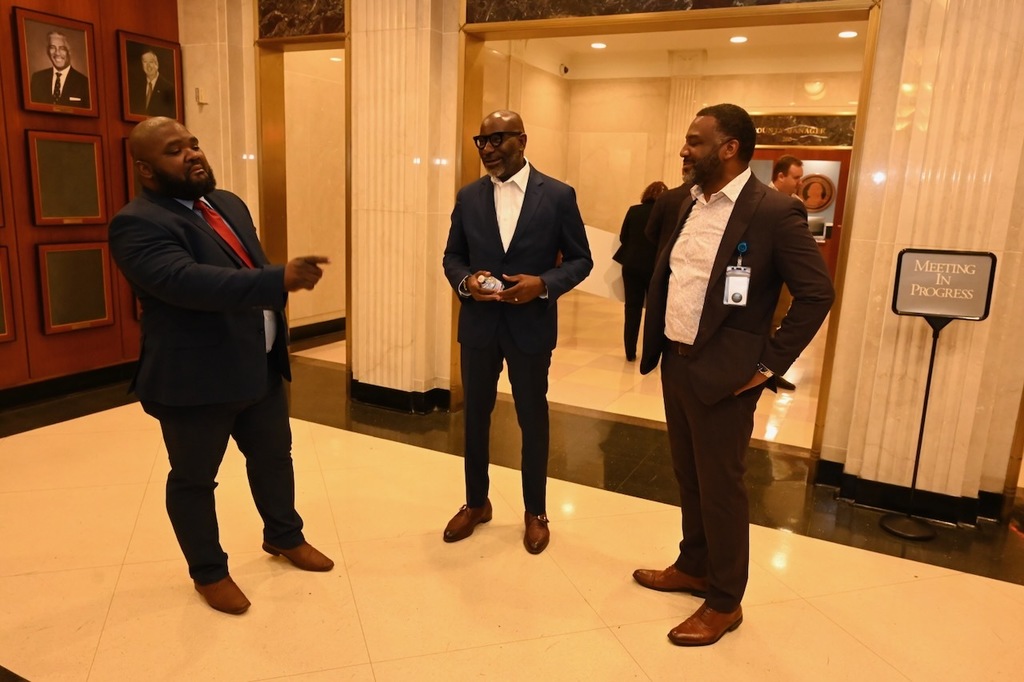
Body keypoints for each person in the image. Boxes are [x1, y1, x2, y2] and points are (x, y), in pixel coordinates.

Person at [108, 117, 334, 615]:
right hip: (196, 381)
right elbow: (190, 283)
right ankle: (208, 572)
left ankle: (284, 536)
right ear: (146, 168)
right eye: (175, 150)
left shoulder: (227, 204)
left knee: (275, 458)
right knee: (194, 480)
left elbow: (243, 268)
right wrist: (279, 279)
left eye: (193, 144)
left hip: (261, 367)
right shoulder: (137, 223)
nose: (192, 154)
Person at [634, 104, 833, 646]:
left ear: (729, 149)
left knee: (721, 487)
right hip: (676, 363)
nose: (683, 150)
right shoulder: (683, 203)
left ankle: (724, 600)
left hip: (727, 374)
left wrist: (768, 365)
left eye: (694, 141)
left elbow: (817, 295)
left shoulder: (773, 212)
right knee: (689, 475)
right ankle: (693, 564)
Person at [442, 109, 593, 554]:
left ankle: (536, 511)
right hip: (479, 328)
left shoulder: (559, 196)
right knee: (474, 418)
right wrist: (465, 282)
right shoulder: (468, 197)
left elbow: (582, 259)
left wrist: (544, 284)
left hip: (531, 327)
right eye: (481, 141)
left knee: (533, 418)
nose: (487, 149)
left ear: (522, 141)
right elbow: (453, 257)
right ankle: (476, 503)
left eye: (498, 140)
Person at [613, 181, 667, 361]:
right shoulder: (664, 214)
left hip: (631, 266)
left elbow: (623, 237)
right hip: (654, 268)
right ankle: (649, 354)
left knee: (632, 309)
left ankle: (630, 352)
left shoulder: (634, 210)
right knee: (654, 311)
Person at [768, 155, 806, 391]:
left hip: (785, 275)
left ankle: (769, 371)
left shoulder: (796, 204)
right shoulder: (761, 199)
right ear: (780, 176)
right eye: (796, 177)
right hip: (764, 274)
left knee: (778, 319)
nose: (799, 183)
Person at [29, 31, 90, 108]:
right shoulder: (37, 79)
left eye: (62, 48)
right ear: (48, 51)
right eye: (52, 48)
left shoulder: (84, 83)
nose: (57, 53)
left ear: (69, 52)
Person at [129, 50, 177, 118]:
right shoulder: (136, 87)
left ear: (157, 64)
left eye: (151, 62)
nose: (148, 66)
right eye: (145, 62)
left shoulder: (169, 88)